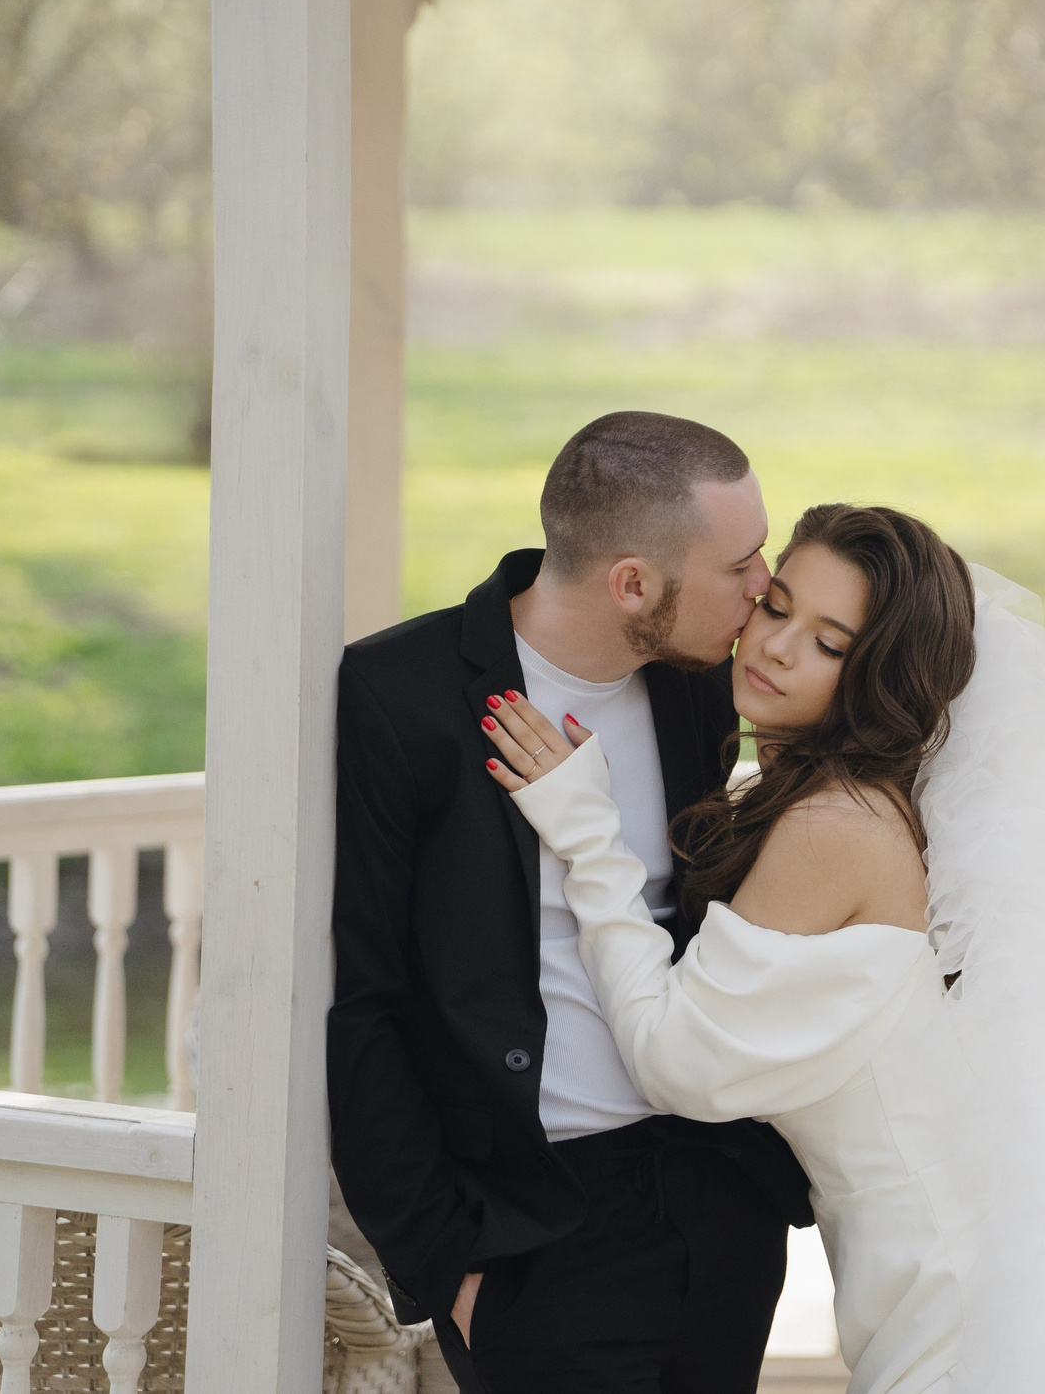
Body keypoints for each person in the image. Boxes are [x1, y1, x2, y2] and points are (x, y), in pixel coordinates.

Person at [478, 503, 1045, 1394]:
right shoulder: (877, 803)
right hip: (947, 1274)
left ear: (878, 675)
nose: (775, 647)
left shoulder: (834, 824)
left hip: (953, 1312)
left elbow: (674, 1062)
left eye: (830, 642)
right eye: (775, 607)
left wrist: (588, 832)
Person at [328, 412, 813, 1394]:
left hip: (720, 1200)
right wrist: (451, 1268)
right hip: (534, 1237)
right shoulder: (400, 695)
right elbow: (365, 1001)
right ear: (631, 582)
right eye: (741, 562)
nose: (766, 587)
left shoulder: (702, 688)